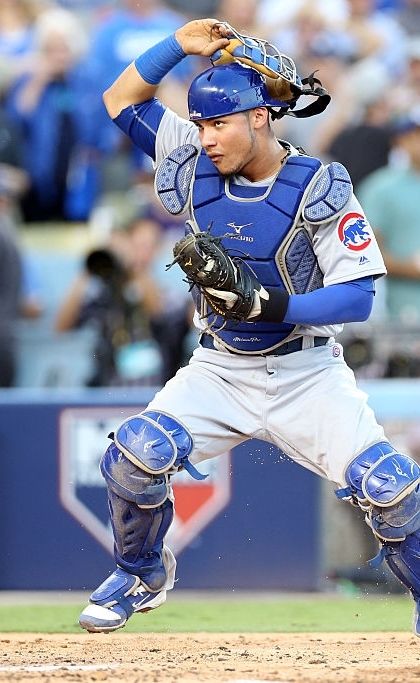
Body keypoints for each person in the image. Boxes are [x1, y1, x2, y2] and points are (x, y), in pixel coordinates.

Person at [78, 18, 420, 636]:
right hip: (219, 367)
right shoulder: (190, 157)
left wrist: (270, 305)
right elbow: (119, 99)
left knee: (392, 489)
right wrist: (180, 44)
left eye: (220, 123)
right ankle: (141, 571)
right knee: (135, 455)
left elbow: (359, 296)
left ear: (261, 116)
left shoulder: (318, 185)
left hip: (305, 369)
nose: (206, 138)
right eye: (202, 124)